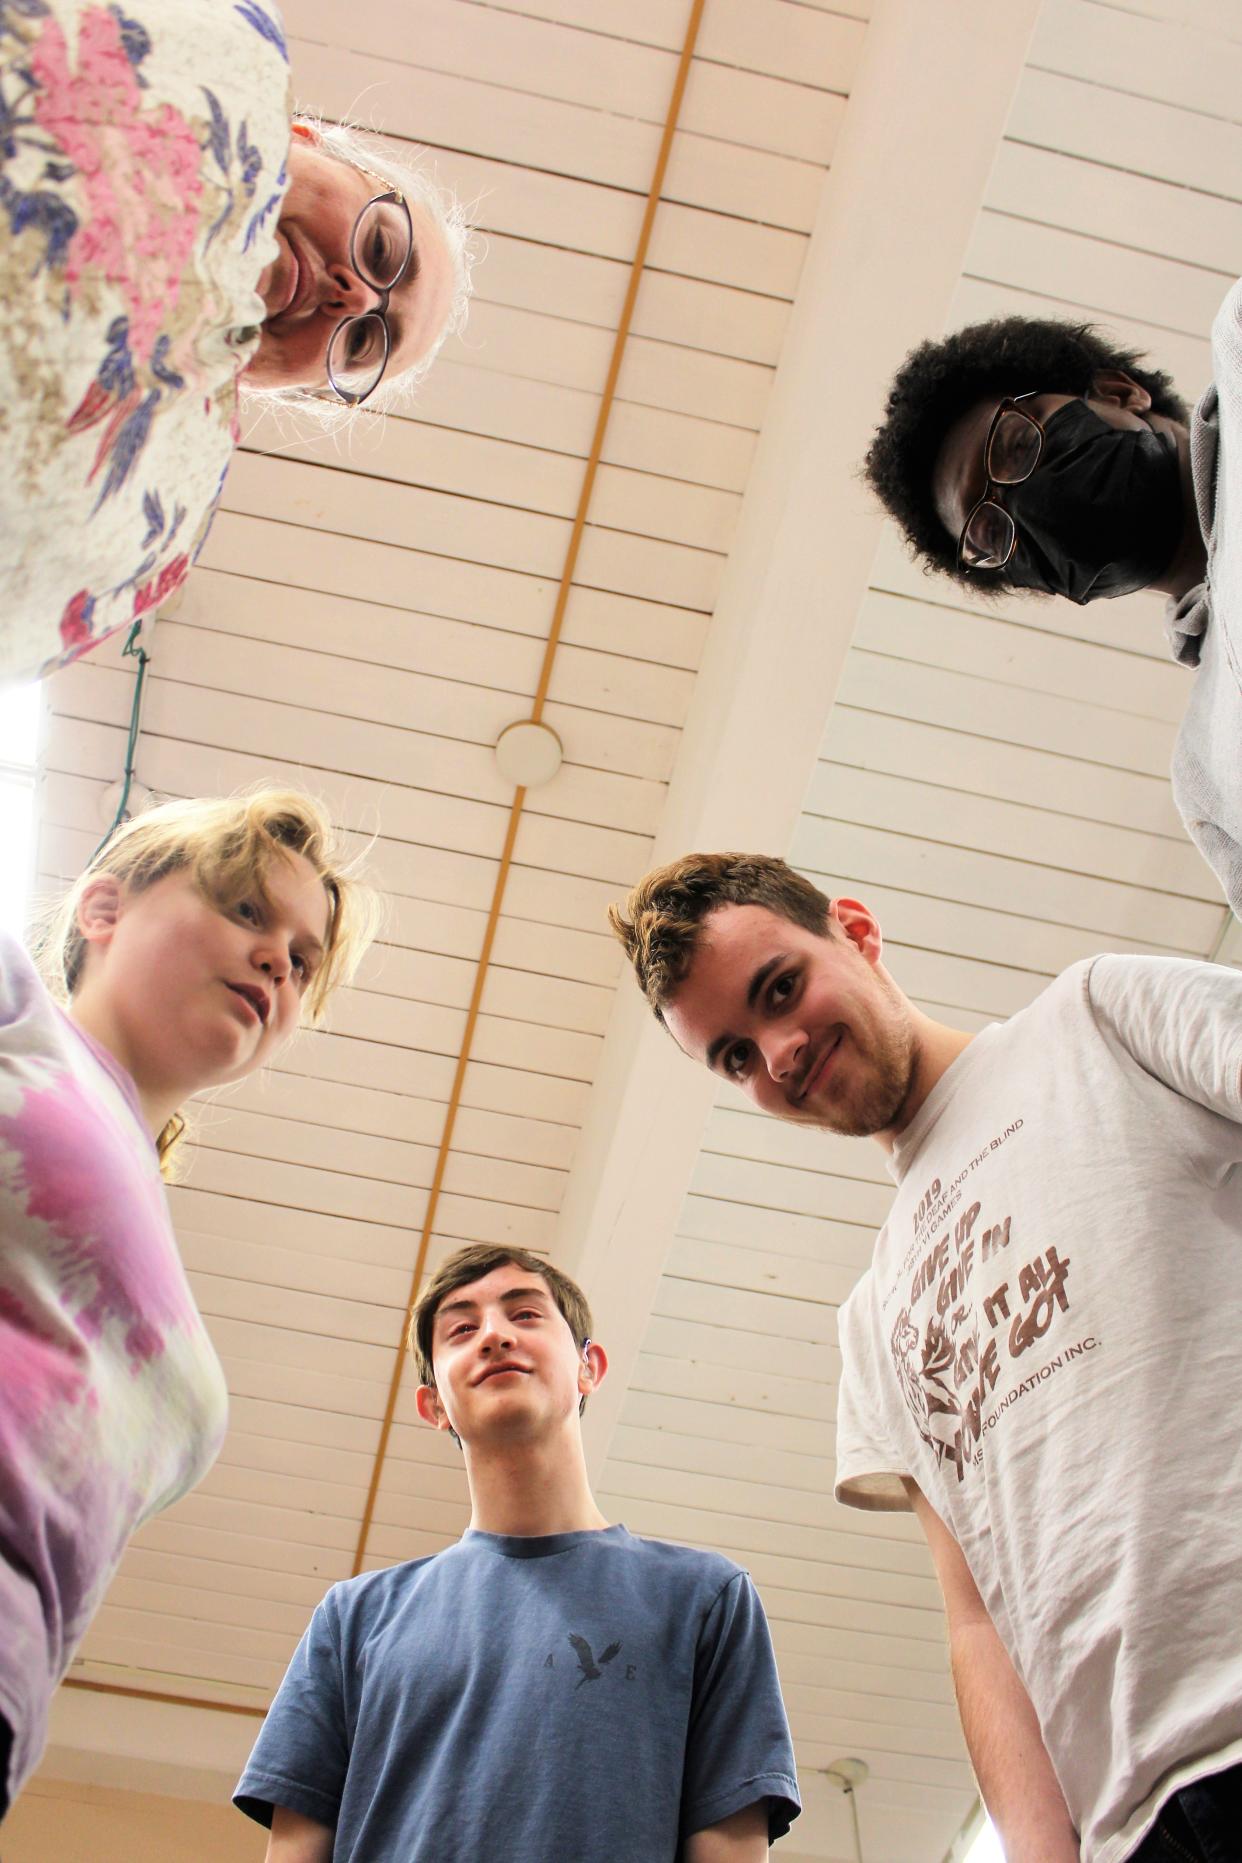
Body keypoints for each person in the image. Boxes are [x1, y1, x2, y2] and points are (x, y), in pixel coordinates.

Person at [608, 853, 1242, 1863]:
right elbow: (978, 1621)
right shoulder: (873, 1316)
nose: (778, 1054)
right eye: (734, 1055)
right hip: (1139, 1826)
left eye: (781, 990)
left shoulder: (1097, 1020)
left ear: (855, 931)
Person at [0, 788, 377, 1819]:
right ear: (102, 911)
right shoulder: (21, 1023)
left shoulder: (149, 1240)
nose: (277, 962)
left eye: (303, 959)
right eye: (248, 912)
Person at [233, 1242, 802, 1862]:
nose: (494, 1336)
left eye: (525, 1314)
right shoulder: (355, 1617)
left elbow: (730, 1848)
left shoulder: (704, 1599)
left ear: (590, 1368)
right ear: (434, 1408)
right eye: (461, 1328)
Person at [0, 0, 472, 687]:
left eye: (364, 342)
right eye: (378, 245)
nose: (355, 297)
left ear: (286, 387)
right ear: (304, 136)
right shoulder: (216, 39)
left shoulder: (153, 531)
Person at [862, 295, 1242, 920]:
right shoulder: (1209, 771)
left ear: (1120, 394)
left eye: (1013, 446)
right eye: (989, 531)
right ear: (1038, 583)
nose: (1021, 499)